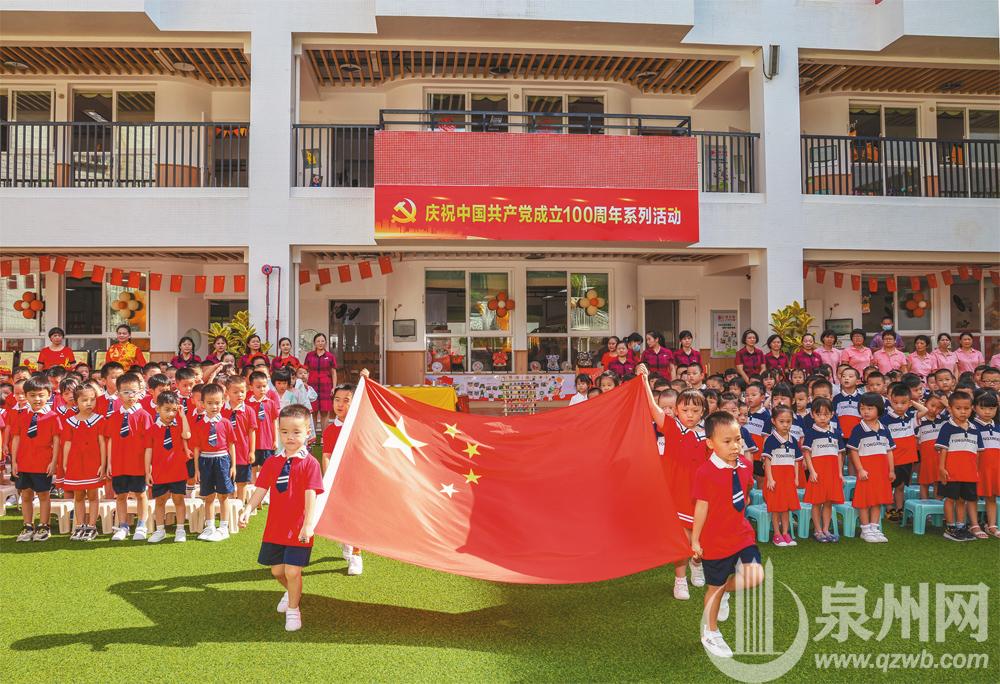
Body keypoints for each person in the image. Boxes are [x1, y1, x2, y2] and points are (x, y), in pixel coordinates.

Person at [239, 404, 325, 632]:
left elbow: (311, 495)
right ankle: (291, 591)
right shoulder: (272, 461)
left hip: (298, 528)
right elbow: (261, 488)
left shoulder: (310, 463)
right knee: (277, 571)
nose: (290, 437)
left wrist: (308, 525)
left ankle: (294, 610)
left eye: (296, 432)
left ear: (308, 432)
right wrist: (248, 509)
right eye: (285, 432)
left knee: (292, 571)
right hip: (275, 527)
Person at [690, 410, 763, 660]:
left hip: (741, 535)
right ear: (710, 443)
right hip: (716, 541)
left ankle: (724, 592)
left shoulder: (745, 466)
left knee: (755, 576)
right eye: (727, 441)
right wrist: (695, 540)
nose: (735, 446)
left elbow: (745, 492)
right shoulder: (705, 472)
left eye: (738, 439)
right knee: (715, 586)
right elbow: (701, 508)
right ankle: (710, 632)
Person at [638, 365, 708, 601]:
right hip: (675, 493)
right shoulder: (671, 427)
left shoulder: (708, 436)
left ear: (703, 412)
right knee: (681, 539)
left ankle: (696, 564)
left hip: (699, 495)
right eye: (685, 409)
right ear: (676, 411)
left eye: (695, 410)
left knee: (700, 536)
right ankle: (680, 579)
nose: (690, 414)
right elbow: (652, 407)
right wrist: (644, 380)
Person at [321, 381, 364, 576]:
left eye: (346, 400)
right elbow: (327, 455)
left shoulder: (360, 427)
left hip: (358, 478)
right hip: (338, 480)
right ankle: (346, 541)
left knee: (356, 516)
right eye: (337, 400)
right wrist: (328, 478)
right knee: (341, 515)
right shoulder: (330, 430)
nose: (340, 404)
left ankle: (356, 554)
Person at [12, 376, 62, 542]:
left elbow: (56, 441)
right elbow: (16, 438)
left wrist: (53, 462)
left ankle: (44, 525)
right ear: (26, 396)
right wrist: (14, 461)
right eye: (32, 395)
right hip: (24, 463)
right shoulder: (21, 416)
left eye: (41, 395)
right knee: (26, 495)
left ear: (49, 395)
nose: (37, 399)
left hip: (42, 463)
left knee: (43, 495)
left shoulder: (53, 417)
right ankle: (27, 525)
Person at [106, 373, 153, 541]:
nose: (130, 395)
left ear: (140, 392)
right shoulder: (113, 416)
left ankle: (141, 525)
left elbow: (149, 445)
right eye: (125, 392)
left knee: (140, 494)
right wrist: (109, 463)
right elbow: (110, 440)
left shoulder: (144, 416)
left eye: (134, 391)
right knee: (121, 495)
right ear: (118, 394)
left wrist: (148, 467)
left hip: (138, 463)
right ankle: (123, 526)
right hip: (119, 463)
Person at [846, 392, 895, 543]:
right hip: (866, 471)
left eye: (869, 408)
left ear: (879, 409)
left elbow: (889, 451)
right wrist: (860, 469)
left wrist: (891, 470)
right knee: (864, 500)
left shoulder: (885, 429)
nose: (865, 411)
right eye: (862, 408)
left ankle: (875, 527)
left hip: (882, 471)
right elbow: (853, 451)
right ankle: (865, 529)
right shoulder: (858, 429)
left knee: (877, 500)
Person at [144, 391, 192, 543]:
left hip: (177, 471)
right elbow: (148, 451)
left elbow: (187, 435)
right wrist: (147, 471)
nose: (171, 414)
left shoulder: (179, 426)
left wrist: (183, 416)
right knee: (160, 501)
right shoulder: (151, 429)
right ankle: (160, 530)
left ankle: (180, 530)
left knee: (179, 500)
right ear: (158, 408)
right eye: (167, 410)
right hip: (159, 472)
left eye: (174, 410)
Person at [193, 383, 237, 541]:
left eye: (217, 403)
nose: (214, 406)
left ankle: (224, 527)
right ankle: (210, 526)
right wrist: (197, 469)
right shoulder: (199, 424)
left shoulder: (225, 423)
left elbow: (231, 445)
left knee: (224, 495)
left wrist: (233, 465)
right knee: (209, 496)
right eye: (210, 403)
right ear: (202, 404)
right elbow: (196, 448)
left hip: (222, 460)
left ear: (223, 402)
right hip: (206, 460)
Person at [936, 391, 981, 542]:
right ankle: (950, 528)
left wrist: (976, 470)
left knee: (962, 500)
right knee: (950, 499)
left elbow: (977, 452)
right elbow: (943, 450)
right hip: (951, 472)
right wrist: (942, 468)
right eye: (958, 408)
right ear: (950, 408)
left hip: (968, 473)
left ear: (972, 408)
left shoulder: (975, 429)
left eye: (966, 408)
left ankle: (961, 526)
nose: (963, 412)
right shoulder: (947, 427)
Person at [62, 384, 106, 541]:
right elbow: (67, 444)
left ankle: (92, 526)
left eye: (92, 400)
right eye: (84, 400)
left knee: (93, 495)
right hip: (75, 463)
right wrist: (65, 463)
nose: (89, 403)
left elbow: (102, 443)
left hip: (93, 463)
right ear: (76, 402)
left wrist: (103, 464)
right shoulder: (69, 421)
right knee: (79, 495)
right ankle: (80, 525)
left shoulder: (99, 420)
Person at [880, 383, 927, 522]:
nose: (899, 406)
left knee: (900, 486)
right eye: (896, 403)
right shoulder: (885, 419)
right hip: (892, 459)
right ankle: (890, 508)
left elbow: (925, 410)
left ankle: (899, 508)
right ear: (890, 401)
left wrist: (913, 403)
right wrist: (908, 402)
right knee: (889, 485)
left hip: (907, 459)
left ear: (909, 403)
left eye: (903, 403)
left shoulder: (911, 417)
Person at [802, 397, 844, 542]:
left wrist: (840, 473)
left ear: (832, 414)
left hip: (832, 473)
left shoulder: (836, 432)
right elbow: (807, 453)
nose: (822, 417)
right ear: (812, 414)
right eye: (818, 414)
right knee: (816, 502)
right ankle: (818, 530)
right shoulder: (810, 432)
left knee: (828, 502)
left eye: (826, 414)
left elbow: (839, 453)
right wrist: (812, 471)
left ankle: (826, 529)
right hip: (818, 473)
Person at [761, 406, 800, 547]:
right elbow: (767, 461)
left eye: (788, 421)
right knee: (776, 508)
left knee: (786, 508)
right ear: (773, 421)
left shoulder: (793, 440)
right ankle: (777, 534)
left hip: (788, 479)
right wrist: (770, 479)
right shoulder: (770, 440)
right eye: (781, 421)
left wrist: (796, 478)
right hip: (775, 479)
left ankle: (785, 533)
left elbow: (796, 461)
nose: (785, 425)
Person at [223, 375, 257, 504]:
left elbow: (252, 432)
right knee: (228, 481)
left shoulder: (249, 411)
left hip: (243, 452)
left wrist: (252, 451)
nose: (240, 395)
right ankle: (229, 506)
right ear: (227, 392)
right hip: (225, 453)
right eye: (235, 392)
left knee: (242, 482)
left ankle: (241, 506)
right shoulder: (221, 410)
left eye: (242, 391)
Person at [972, 390, 999, 538]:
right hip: (977, 467)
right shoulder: (971, 426)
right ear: (974, 408)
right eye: (983, 408)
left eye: (991, 408)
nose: (987, 412)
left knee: (992, 496)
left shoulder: (997, 427)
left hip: (994, 469)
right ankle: (974, 525)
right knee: (973, 496)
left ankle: (992, 525)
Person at [248, 370, 280, 481]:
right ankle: (252, 484)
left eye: (264, 386)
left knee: (265, 466)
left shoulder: (271, 403)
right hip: (253, 442)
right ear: (251, 387)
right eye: (258, 387)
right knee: (252, 466)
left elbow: (275, 422)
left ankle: (263, 486)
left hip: (267, 442)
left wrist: (275, 440)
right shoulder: (247, 404)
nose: (262, 389)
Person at [304, 333, 338, 434]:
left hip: (326, 387)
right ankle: (313, 437)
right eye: (318, 341)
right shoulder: (309, 355)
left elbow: (333, 372)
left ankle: (324, 437)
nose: (320, 343)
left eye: (322, 341)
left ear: (326, 342)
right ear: (314, 343)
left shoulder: (330, 356)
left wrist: (334, 387)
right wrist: (304, 384)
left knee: (325, 412)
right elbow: (305, 371)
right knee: (313, 412)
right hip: (312, 386)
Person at [916, 392, 946, 500]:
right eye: (932, 405)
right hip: (925, 457)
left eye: (939, 408)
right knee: (924, 482)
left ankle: (937, 505)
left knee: (938, 481)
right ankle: (924, 503)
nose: (934, 410)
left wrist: (947, 405)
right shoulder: (918, 420)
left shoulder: (944, 420)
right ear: (925, 403)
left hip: (940, 458)